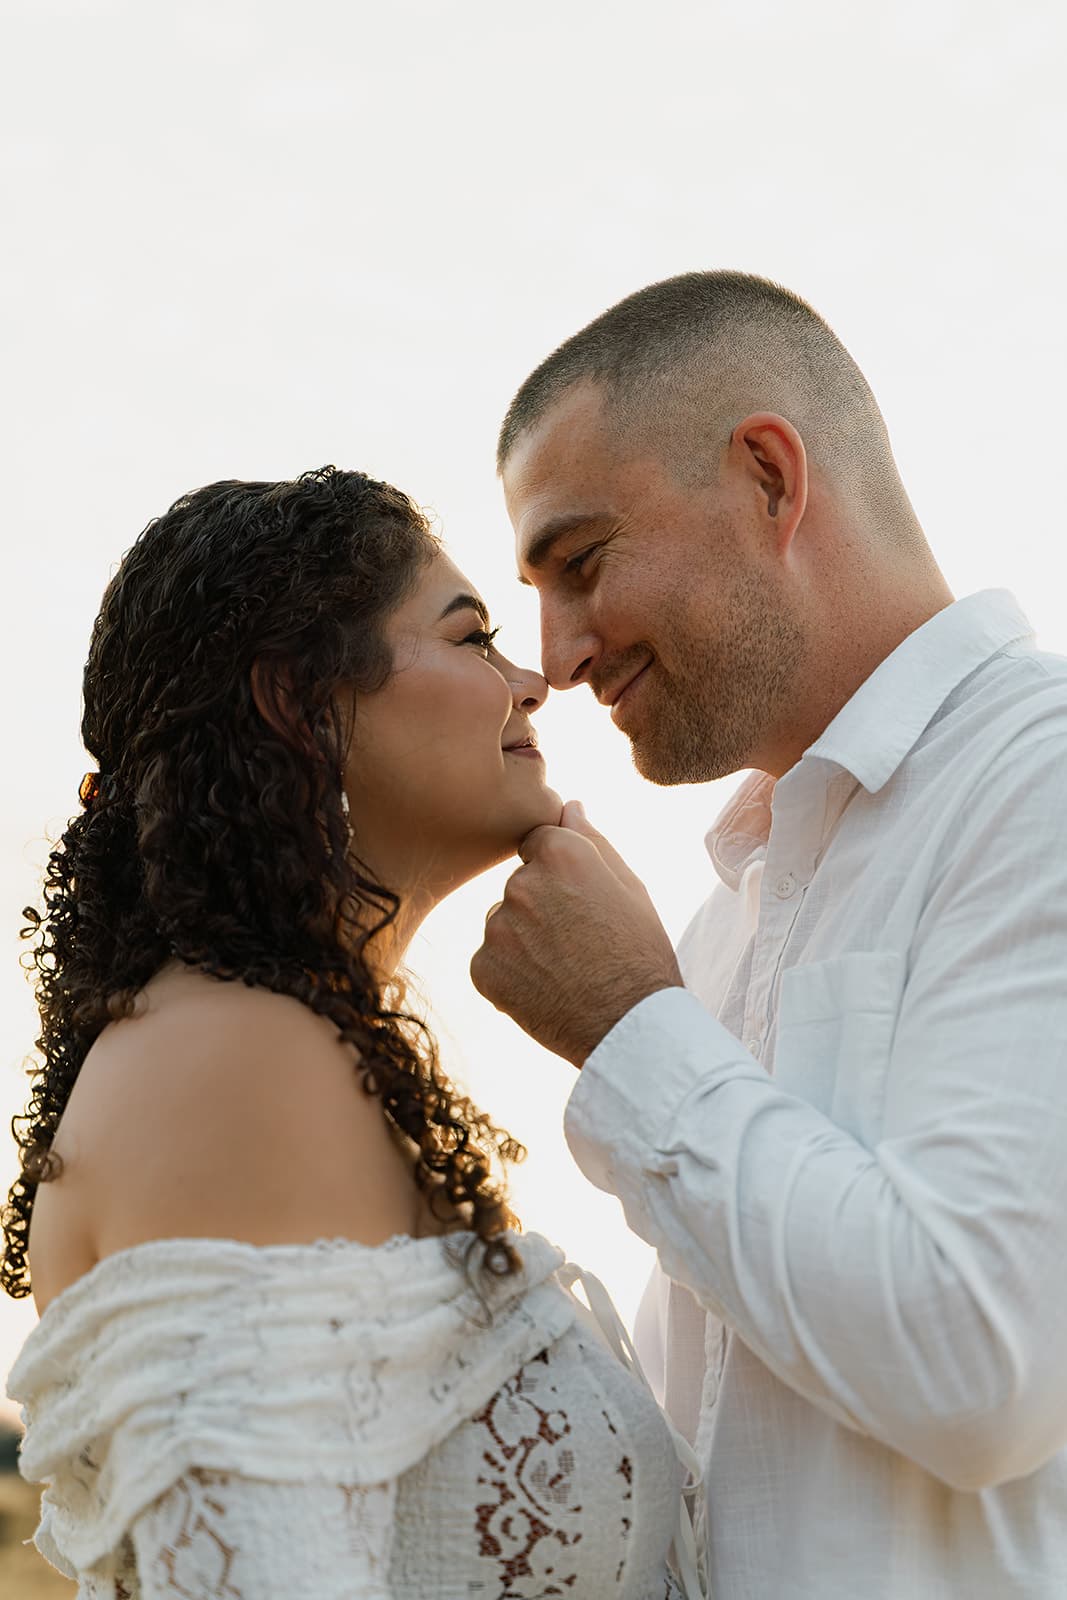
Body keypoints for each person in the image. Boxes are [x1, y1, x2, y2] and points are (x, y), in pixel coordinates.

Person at [3, 467, 703, 1599]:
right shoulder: (235, 1059)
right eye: (471, 636)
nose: (531, 679)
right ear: (298, 699)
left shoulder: (272, 1048)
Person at [471, 270, 1067, 1598]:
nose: (555, 655)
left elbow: (982, 1367)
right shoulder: (718, 919)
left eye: (579, 565)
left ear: (763, 475)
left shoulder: (1038, 779)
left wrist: (628, 1026)